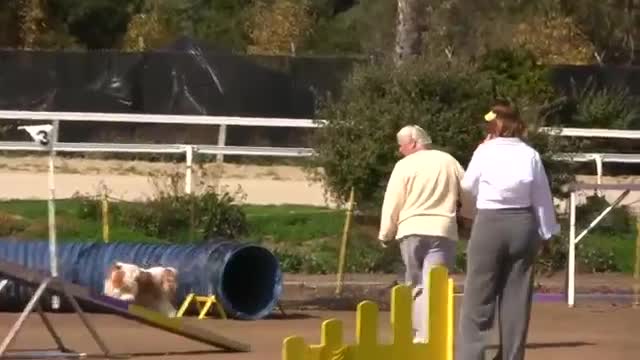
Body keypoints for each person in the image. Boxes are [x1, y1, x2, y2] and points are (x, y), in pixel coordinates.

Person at [456, 104, 560, 360]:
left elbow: (468, 185)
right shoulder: (530, 154)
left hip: (490, 222)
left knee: (478, 297)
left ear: (495, 126)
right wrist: (547, 232)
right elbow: (542, 197)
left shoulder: (485, 151)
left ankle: (471, 355)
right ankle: (512, 356)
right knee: (516, 297)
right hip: (523, 224)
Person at [378, 124, 474, 343]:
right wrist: (468, 215)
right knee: (434, 285)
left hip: (410, 229)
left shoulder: (403, 165)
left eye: (401, 145)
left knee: (415, 284)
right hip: (442, 229)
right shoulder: (448, 160)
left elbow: (392, 201)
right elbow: (468, 189)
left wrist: (386, 233)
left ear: (413, 143)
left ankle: (416, 335)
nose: (400, 150)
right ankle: (428, 336)